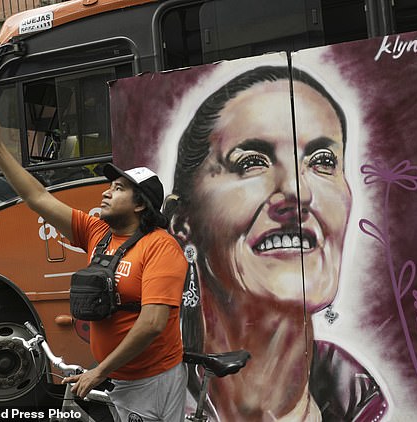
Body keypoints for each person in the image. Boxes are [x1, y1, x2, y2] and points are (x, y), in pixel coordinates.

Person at [163, 65, 388, 421]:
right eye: (252, 162)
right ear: (182, 222)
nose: (299, 191)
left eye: (323, 161)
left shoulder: (359, 400)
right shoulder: (159, 398)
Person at [0, 109, 188, 422]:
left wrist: (99, 372)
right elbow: (37, 198)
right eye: (109, 186)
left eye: (119, 189)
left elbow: (152, 323)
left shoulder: (160, 247)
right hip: (118, 377)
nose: (106, 191)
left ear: (140, 204)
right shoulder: (97, 234)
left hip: (152, 380)